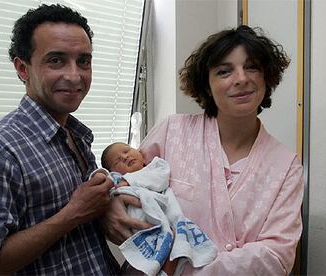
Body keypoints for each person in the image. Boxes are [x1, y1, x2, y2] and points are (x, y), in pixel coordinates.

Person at [102, 25, 304, 275]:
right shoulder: (172, 131)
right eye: (224, 71)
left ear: (267, 77)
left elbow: (276, 256)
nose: (241, 78)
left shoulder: (286, 165)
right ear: (207, 85)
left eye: (252, 67)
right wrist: (109, 205)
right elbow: (128, 189)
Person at [0, 4, 121, 275]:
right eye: (56, 60)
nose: (74, 75)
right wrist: (72, 214)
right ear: (23, 69)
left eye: (84, 61)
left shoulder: (77, 135)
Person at [96, 142, 217, 276]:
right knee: (142, 261)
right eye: (117, 160)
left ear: (141, 155)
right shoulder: (116, 180)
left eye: (127, 150)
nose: (125, 157)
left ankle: (167, 270)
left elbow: (161, 180)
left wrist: (130, 181)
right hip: (138, 228)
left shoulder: (156, 166)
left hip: (163, 217)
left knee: (174, 241)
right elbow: (100, 182)